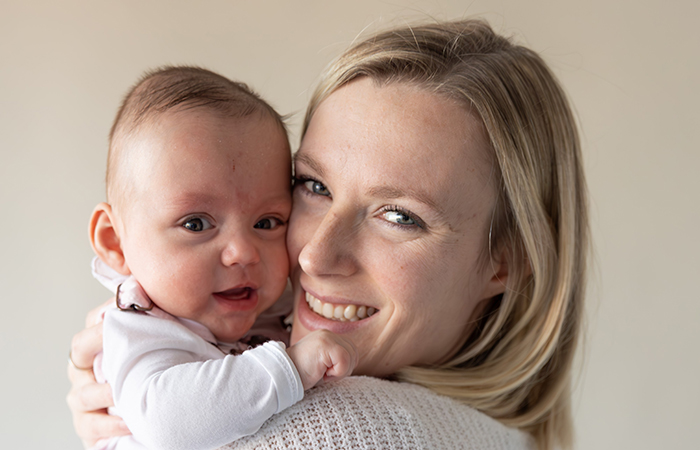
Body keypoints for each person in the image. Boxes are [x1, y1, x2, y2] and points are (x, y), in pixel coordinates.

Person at [68, 19, 588, 450]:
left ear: (507, 261)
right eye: (313, 185)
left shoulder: (336, 429)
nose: (315, 256)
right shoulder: (499, 433)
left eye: (399, 216)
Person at [82, 66, 357, 450]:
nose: (244, 251)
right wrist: (290, 367)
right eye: (196, 223)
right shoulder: (140, 328)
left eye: (267, 222)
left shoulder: (264, 303)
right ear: (115, 243)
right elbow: (167, 425)